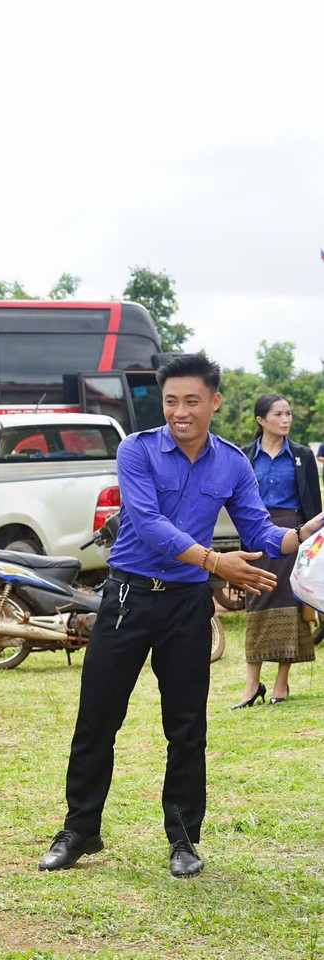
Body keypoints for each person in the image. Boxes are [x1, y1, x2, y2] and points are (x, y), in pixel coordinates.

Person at [36, 355, 324, 878]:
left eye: (192, 401)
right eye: (172, 401)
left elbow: (259, 530)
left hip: (188, 605)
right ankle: (80, 830)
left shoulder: (234, 463)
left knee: (187, 727)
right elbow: (146, 523)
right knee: (98, 719)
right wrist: (218, 563)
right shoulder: (137, 449)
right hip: (128, 600)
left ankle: (184, 840)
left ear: (215, 402)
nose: (180, 411)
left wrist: (302, 535)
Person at [234, 394, 321, 707]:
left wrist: (313, 541)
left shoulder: (300, 455)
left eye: (288, 414)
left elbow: (313, 502)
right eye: (278, 414)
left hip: (293, 533)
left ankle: (281, 683)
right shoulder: (244, 456)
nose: (286, 420)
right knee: (256, 599)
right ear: (261, 420)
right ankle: (251, 683)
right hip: (256, 533)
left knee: (290, 600)